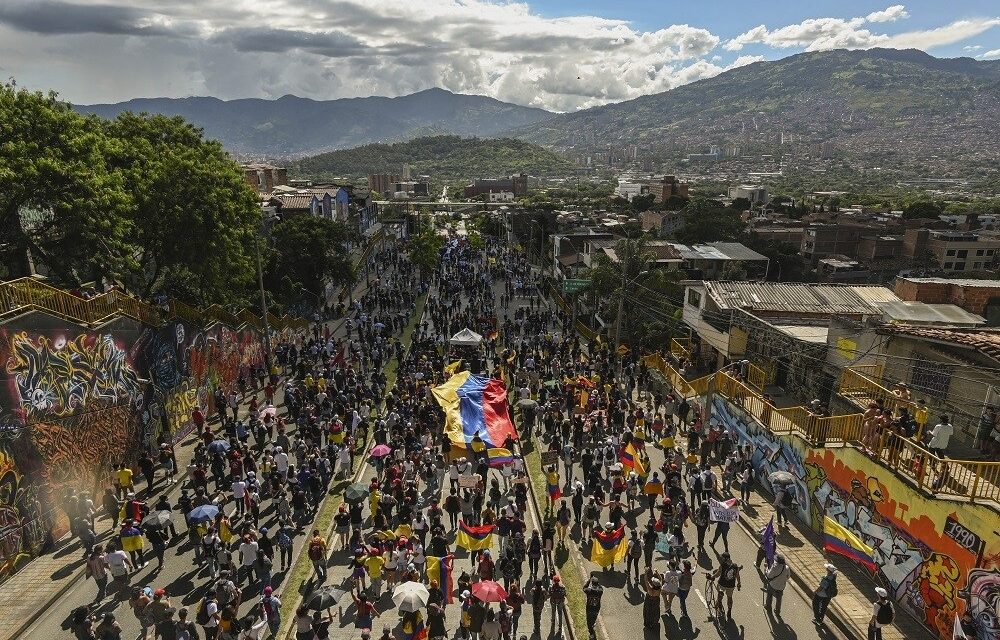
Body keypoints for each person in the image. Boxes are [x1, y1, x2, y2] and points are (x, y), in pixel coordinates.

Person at [711, 552, 742, 620]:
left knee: (719, 597)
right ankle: (729, 611)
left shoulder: (723, 565)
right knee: (729, 597)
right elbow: (737, 576)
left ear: (725, 558)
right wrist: (739, 583)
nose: (721, 559)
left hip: (722, 584)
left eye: (722, 558)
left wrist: (712, 577)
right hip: (731, 585)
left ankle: (719, 610)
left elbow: (718, 574)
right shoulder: (735, 566)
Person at [582, 574, 603, 639]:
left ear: (592, 584)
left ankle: (591, 633)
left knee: (588, 622)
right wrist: (598, 583)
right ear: (597, 584)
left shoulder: (588, 591)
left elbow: (584, 587)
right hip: (596, 608)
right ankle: (593, 624)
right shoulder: (600, 591)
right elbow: (601, 587)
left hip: (589, 609)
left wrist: (589, 580)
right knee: (594, 619)